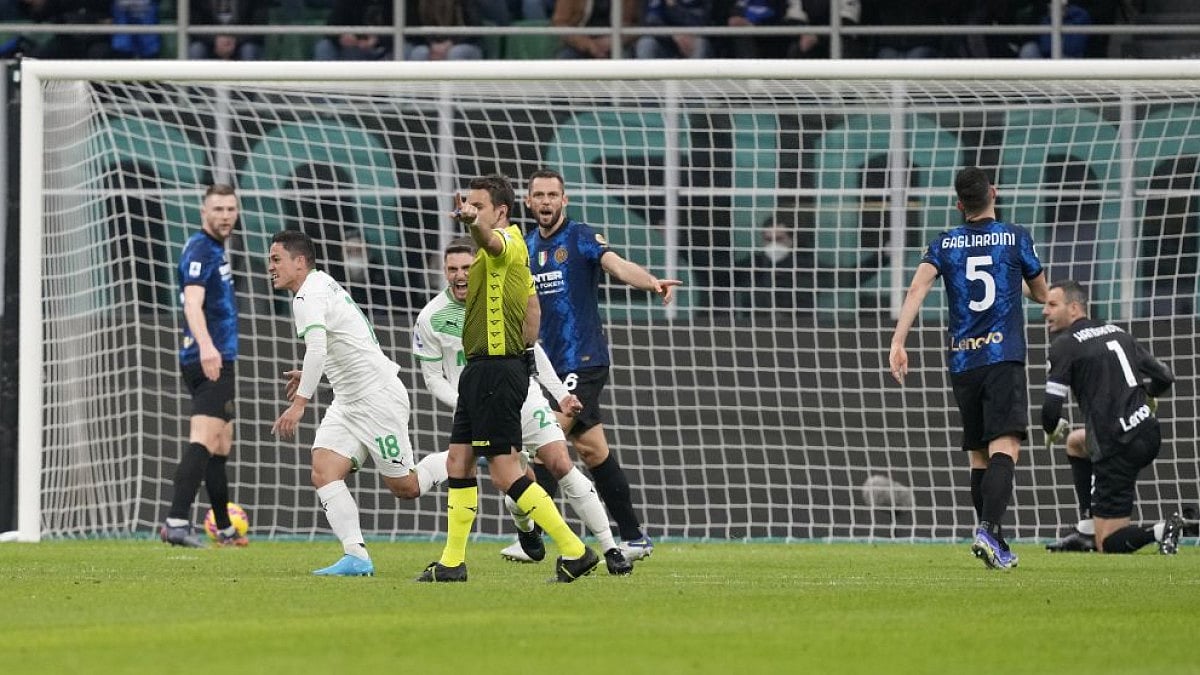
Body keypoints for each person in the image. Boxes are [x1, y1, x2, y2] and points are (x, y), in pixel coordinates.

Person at [413, 237, 633, 575]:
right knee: (475, 467)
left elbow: (534, 351)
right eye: (452, 269)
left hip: (520, 395)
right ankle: (489, 545)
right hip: (475, 401)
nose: (459, 275)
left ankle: (608, 547)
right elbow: (432, 377)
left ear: (479, 268)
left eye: (467, 268)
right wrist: (466, 404)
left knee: (556, 462)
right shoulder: (431, 317)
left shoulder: (498, 302)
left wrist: (560, 395)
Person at [516, 168, 682, 563]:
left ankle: (533, 537)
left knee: (544, 439)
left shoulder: (581, 237)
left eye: (552, 195)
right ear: (528, 201)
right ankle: (634, 536)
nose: (545, 202)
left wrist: (651, 282)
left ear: (564, 200)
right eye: (538, 195)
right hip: (548, 368)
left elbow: (617, 264)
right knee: (592, 451)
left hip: (583, 359)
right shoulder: (524, 247)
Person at [889, 166, 1049, 570]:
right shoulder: (1015, 237)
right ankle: (988, 528)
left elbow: (917, 288)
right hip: (1002, 357)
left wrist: (898, 342)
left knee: (979, 456)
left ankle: (996, 541)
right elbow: (1041, 294)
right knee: (1005, 448)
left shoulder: (945, 243)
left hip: (962, 360)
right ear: (993, 192)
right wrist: (1019, 281)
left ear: (959, 205)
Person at [267, 229, 451, 577]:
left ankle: (465, 456)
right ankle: (356, 556)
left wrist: (300, 403)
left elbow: (319, 348)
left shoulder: (308, 296)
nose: (270, 267)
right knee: (323, 469)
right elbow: (337, 347)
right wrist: (312, 376)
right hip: (349, 400)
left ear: (300, 262)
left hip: (377, 398)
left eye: (276, 259)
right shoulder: (320, 284)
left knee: (406, 488)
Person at [1039, 279, 1183, 554]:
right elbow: (1165, 377)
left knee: (1108, 544)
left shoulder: (1064, 345)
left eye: (1052, 304)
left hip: (1117, 445)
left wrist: (1050, 427)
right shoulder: (1118, 332)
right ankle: (1085, 530)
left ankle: (1162, 529)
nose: (1045, 311)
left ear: (1074, 308)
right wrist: (1149, 396)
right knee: (1076, 442)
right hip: (1147, 432)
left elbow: (1050, 411)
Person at [160, 184, 246, 549]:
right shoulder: (199, 248)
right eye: (218, 209)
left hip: (220, 356)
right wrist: (208, 347)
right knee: (204, 438)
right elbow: (191, 304)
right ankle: (176, 522)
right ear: (203, 213)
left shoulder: (216, 249)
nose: (225, 215)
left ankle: (224, 528)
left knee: (220, 443)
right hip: (206, 357)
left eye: (230, 209)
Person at [187, 0, 269, 61]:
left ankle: (249, 84)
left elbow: (259, 24)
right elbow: (193, 24)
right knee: (197, 50)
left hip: (243, 40)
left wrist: (234, 40)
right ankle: (194, 84)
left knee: (249, 50)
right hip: (208, 41)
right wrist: (216, 40)